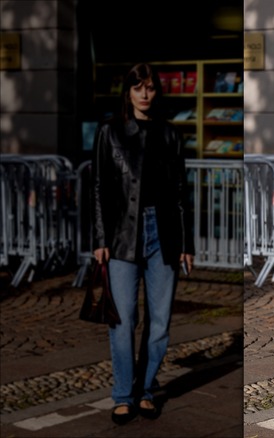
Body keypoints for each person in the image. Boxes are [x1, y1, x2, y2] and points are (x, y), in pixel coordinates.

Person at [92, 63, 194, 425]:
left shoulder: (170, 134)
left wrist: (186, 244)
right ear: (128, 92)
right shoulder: (110, 132)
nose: (145, 94)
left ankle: (147, 388)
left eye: (150, 88)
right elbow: (101, 187)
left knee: (161, 322)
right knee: (122, 321)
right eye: (138, 88)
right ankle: (123, 394)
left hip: (163, 234)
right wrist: (100, 238)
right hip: (122, 235)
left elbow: (183, 191)